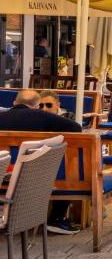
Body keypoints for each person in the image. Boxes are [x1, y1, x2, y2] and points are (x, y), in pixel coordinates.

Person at [0, 89, 83, 234]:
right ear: (37, 105)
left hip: (3, 173)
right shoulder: (43, 117)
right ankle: (56, 219)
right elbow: (76, 128)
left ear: (14, 103)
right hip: (36, 176)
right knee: (63, 166)